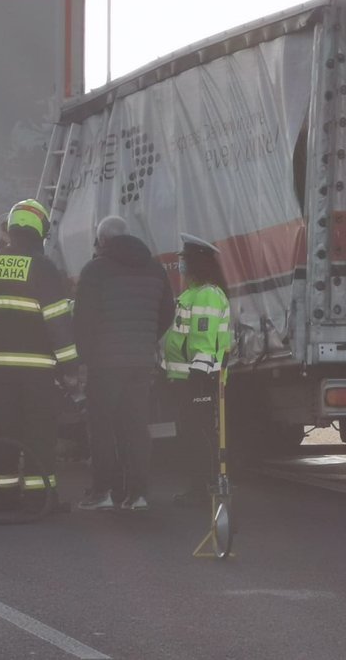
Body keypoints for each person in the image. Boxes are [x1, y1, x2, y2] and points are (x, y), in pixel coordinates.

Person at [0, 199, 80, 512]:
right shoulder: (43, 269)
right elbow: (58, 322)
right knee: (38, 434)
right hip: (37, 373)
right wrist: (70, 367)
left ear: (12, 229)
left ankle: (2, 497)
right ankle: (38, 498)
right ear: (40, 232)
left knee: (3, 431)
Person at [72, 215, 175, 511]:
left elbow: (83, 320)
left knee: (102, 427)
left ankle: (104, 491)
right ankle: (138, 494)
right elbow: (166, 311)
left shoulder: (96, 271)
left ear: (102, 241)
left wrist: (84, 358)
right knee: (136, 427)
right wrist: (146, 337)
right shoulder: (155, 270)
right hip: (142, 361)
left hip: (105, 363)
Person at [163, 233, 231, 507]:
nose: (181, 266)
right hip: (184, 376)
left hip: (199, 377)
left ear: (196, 264)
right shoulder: (191, 294)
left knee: (201, 433)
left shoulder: (207, 295)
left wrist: (199, 373)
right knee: (190, 433)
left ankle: (206, 486)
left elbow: (204, 337)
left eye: (184, 260)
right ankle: (197, 484)